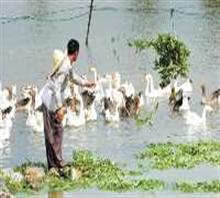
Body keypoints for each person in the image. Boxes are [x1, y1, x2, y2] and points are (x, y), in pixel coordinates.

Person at [41, 39, 94, 170]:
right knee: (53, 132)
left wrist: (85, 83)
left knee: (56, 131)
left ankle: (55, 163)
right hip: (50, 101)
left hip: (54, 100)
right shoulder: (65, 67)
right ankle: (55, 164)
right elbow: (57, 88)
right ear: (76, 53)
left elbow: (73, 77)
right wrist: (60, 108)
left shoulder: (67, 64)